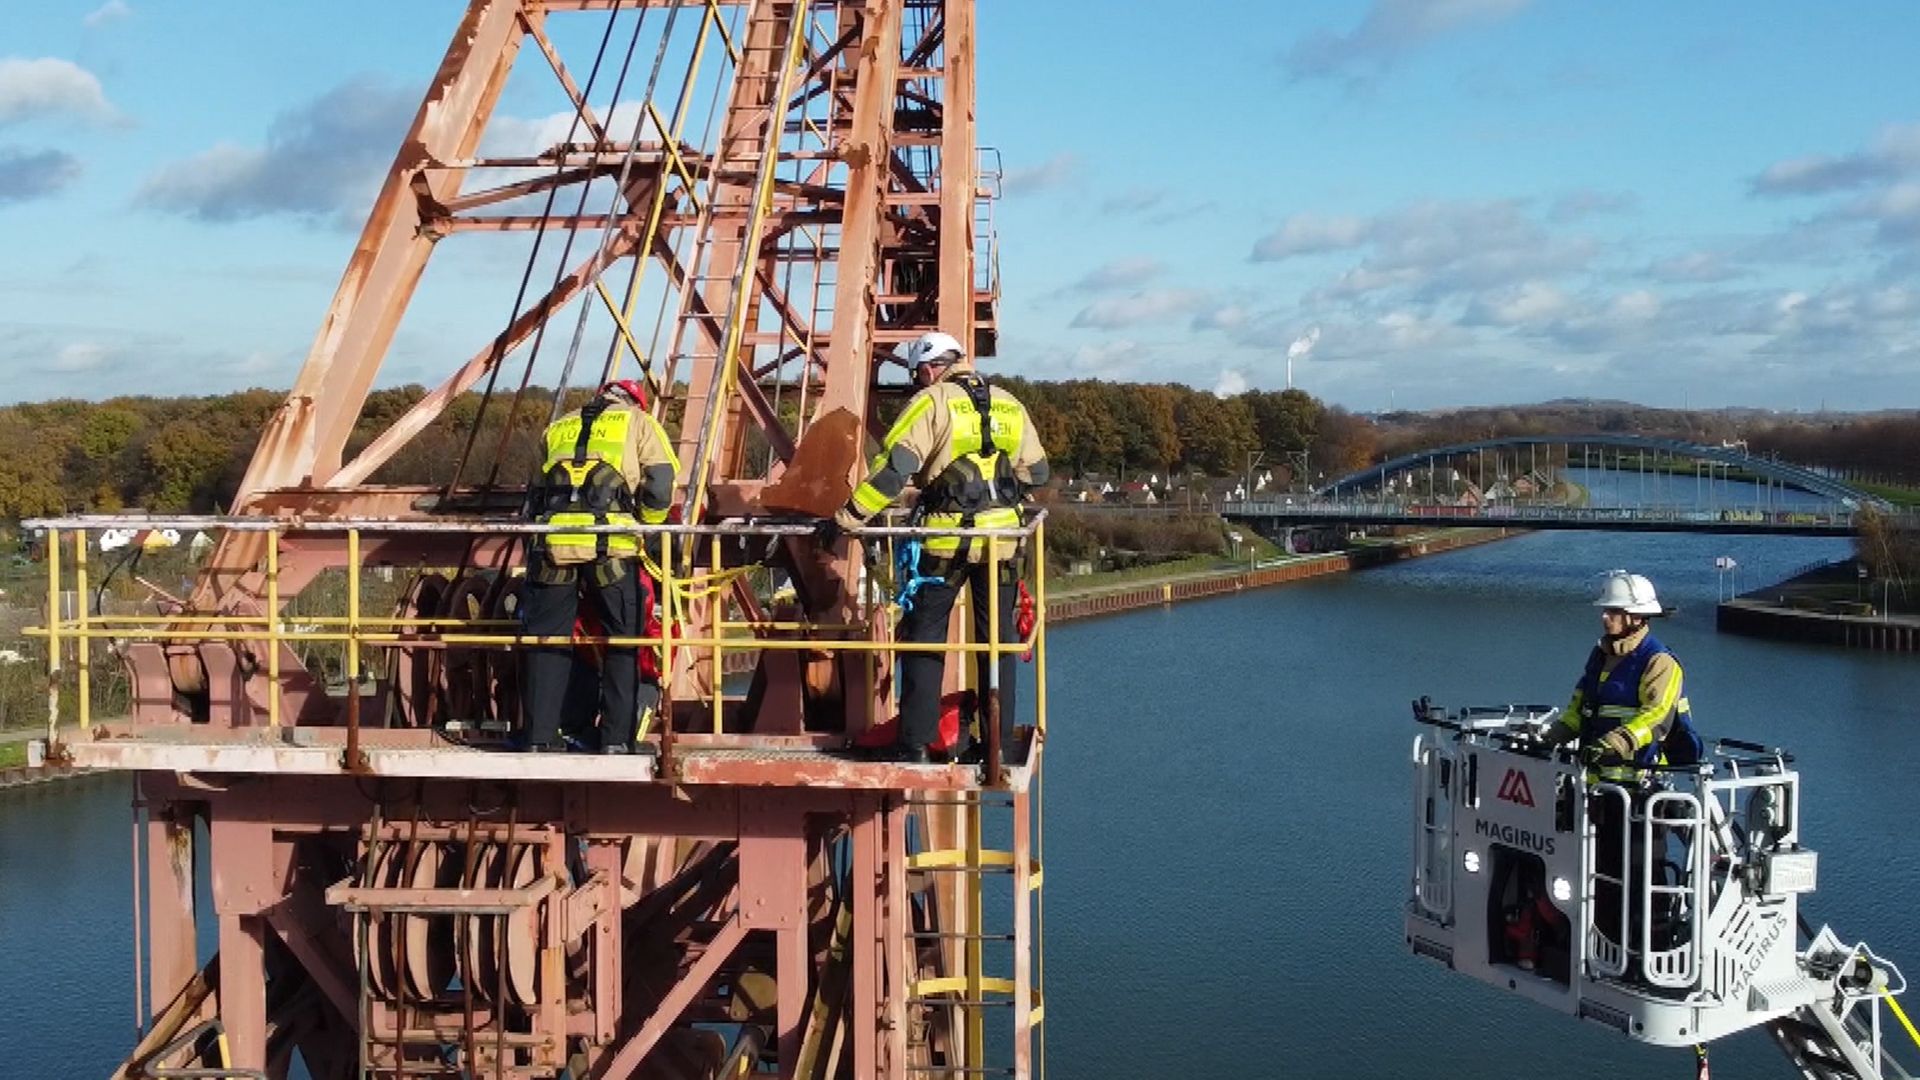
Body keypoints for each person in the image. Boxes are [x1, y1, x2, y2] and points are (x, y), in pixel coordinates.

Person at [821, 331, 1050, 764]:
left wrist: (846, 520)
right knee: (995, 644)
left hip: (946, 544)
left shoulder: (932, 403)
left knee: (924, 640)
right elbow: (1038, 472)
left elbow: (893, 473)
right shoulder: (1009, 403)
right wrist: (995, 495)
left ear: (927, 369)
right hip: (1003, 543)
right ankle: (994, 746)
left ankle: (915, 744)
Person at [1542, 569, 1693, 968]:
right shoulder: (1600, 657)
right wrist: (1551, 736)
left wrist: (1616, 744)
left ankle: (1645, 956)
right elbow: (1580, 708)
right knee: (1600, 876)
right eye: (1606, 611)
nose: (1605, 617)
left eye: (1612, 611)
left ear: (1636, 617)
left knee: (1639, 880)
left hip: (1641, 796)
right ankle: (1604, 950)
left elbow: (1656, 716)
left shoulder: (1659, 662)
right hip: (1601, 793)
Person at [520, 378, 678, 754]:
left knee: (548, 638)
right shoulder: (639, 423)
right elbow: (661, 482)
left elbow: (535, 492)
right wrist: (649, 525)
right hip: (613, 549)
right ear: (636, 402)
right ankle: (616, 741)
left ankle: (540, 739)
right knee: (624, 640)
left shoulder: (557, 427)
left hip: (554, 546)